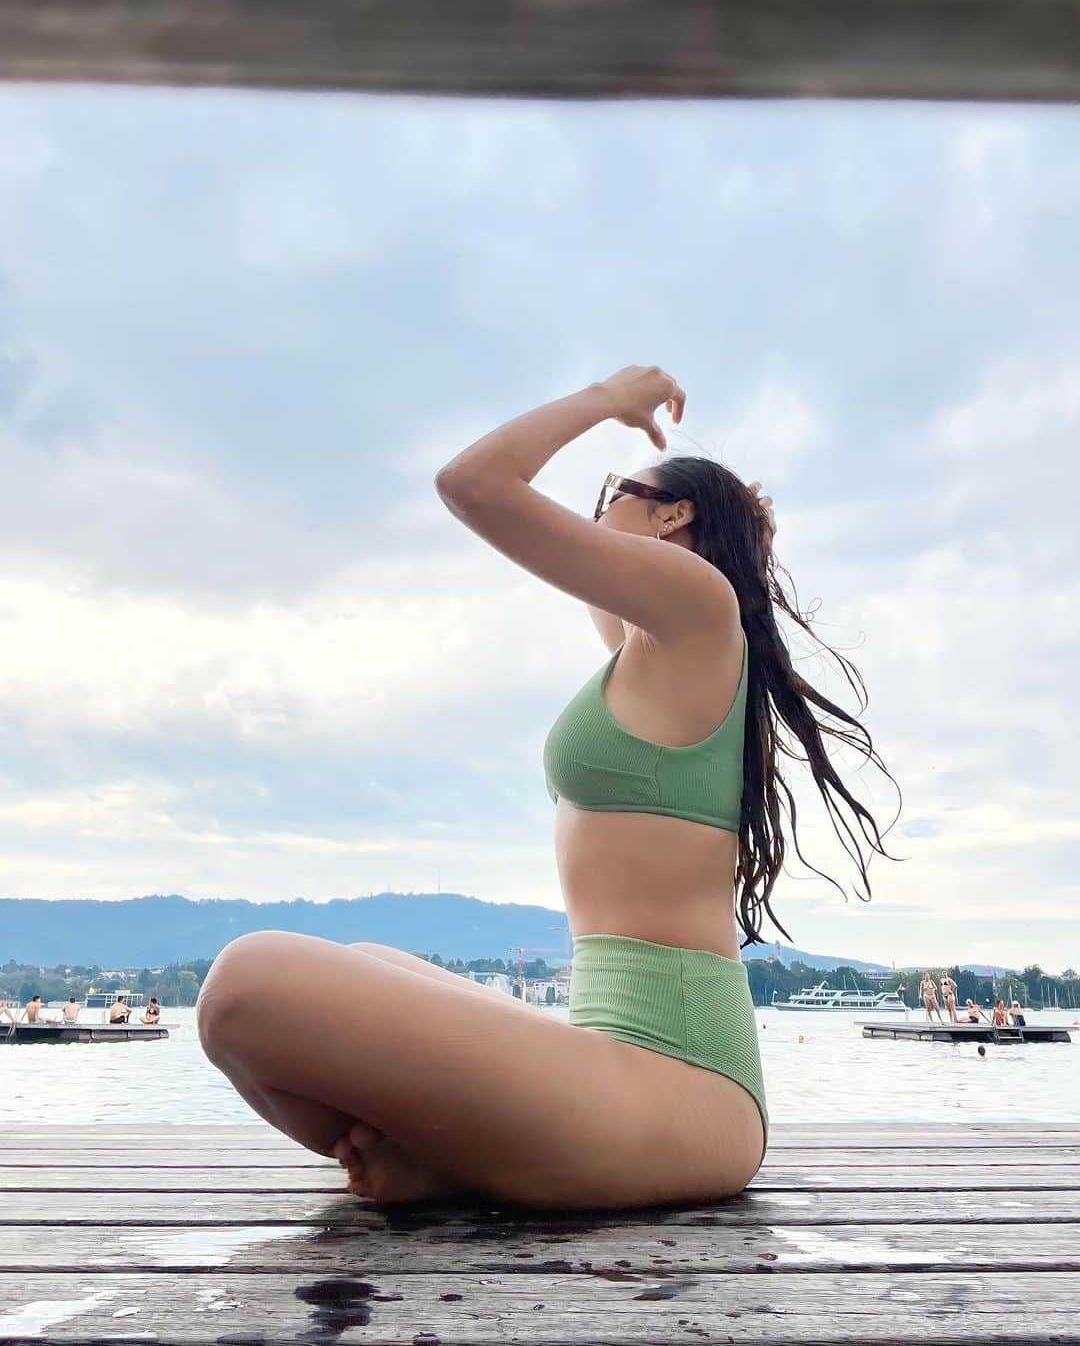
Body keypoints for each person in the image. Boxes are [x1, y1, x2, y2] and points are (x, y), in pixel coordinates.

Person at [196, 365, 899, 1211]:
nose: (596, 512)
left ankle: (464, 1165)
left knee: (244, 985)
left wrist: (608, 400)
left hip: (680, 1082)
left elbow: (475, 485)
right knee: (362, 965)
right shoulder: (651, 642)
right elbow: (529, 527)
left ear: (674, 515)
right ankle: (456, 1166)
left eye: (612, 492)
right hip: (611, 1065)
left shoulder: (700, 608)